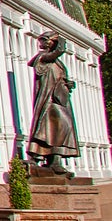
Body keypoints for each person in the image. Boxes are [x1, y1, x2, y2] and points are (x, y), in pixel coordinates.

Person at [25, 32, 80, 172]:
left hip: (59, 99)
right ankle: (42, 157)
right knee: (53, 126)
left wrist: (68, 84)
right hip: (48, 100)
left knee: (61, 127)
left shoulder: (58, 63)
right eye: (41, 41)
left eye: (43, 40)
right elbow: (59, 51)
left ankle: (55, 160)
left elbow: (60, 77)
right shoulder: (42, 57)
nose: (41, 44)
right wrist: (60, 39)